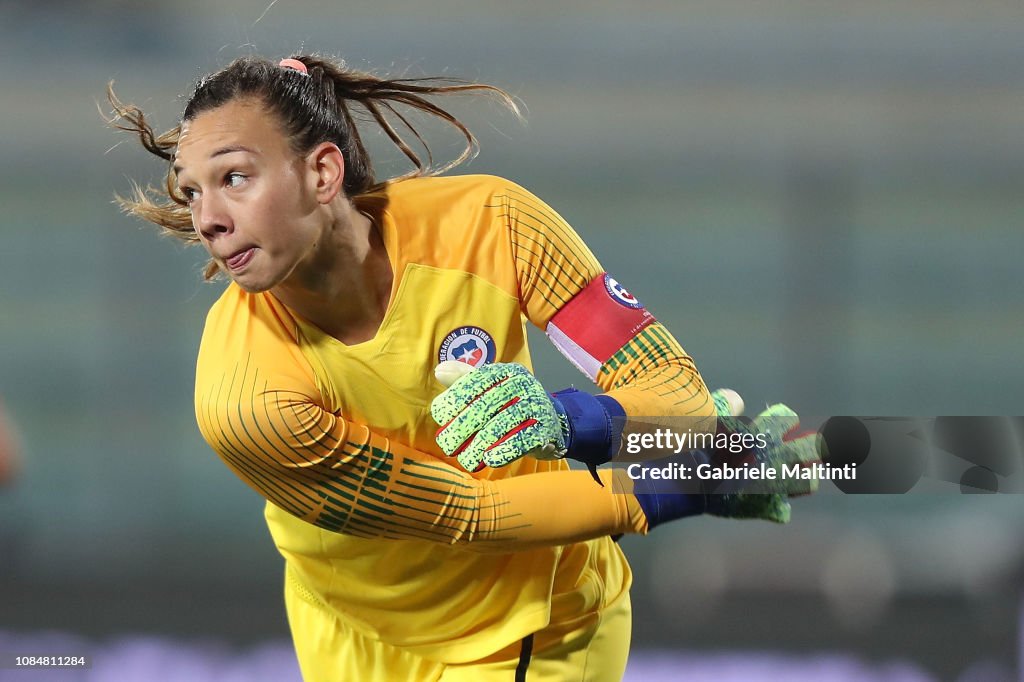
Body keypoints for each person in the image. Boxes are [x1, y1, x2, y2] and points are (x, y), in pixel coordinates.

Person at [107, 54, 818, 682]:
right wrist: (692, 482)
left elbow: (678, 399)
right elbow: (461, 510)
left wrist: (571, 423)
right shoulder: (245, 398)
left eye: (234, 177)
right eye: (192, 190)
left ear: (321, 172)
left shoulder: (492, 225)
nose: (208, 218)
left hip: (522, 625)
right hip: (348, 631)